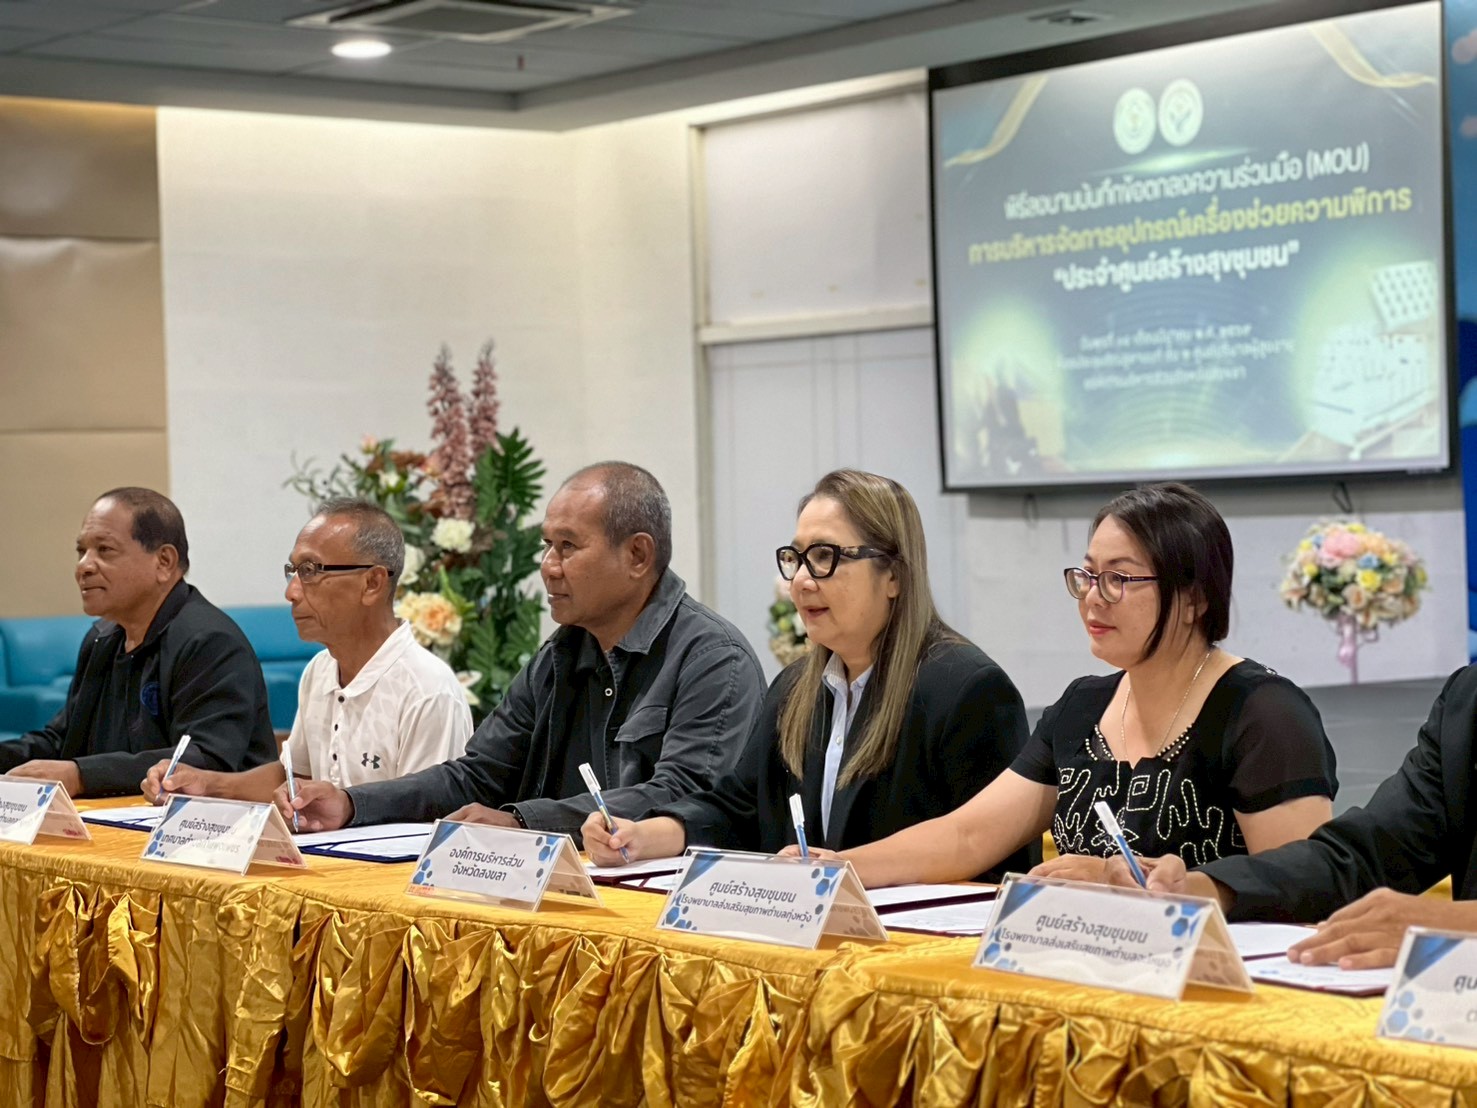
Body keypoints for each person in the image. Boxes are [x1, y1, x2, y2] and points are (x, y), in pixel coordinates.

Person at [830, 482, 1338, 888]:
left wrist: (1118, 881)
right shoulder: (1083, 705)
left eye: (1119, 579)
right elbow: (968, 836)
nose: (1093, 597)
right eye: (1088, 575)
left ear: (1194, 599)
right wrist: (833, 868)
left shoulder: (1263, 713)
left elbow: (1301, 883)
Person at [584, 469, 1037, 880]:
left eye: (824, 557)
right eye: (796, 558)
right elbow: (739, 809)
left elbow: (993, 855)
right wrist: (641, 836)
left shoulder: (968, 689)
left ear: (894, 576)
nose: (801, 580)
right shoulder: (794, 688)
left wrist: (842, 871)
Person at [276, 462, 765, 837]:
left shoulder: (712, 659)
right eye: (546, 545)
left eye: (568, 547)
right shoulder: (561, 654)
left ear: (637, 555)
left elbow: (684, 797)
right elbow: (477, 776)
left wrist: (523, 822)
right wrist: (352, 804)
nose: (548, 566)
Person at [1118, 664, 1477, 970]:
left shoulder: (1267, 708)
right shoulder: (1467, 702)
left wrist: (1457, 924)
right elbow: (1362, 858)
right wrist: (1209, 888)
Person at [140, 499, 471, 805]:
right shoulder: (320, 669)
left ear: (372, 583)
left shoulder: (428, 691)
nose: (291, 592)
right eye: (294, 571)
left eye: (311, 571)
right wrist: (208, 784)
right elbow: (293, 777)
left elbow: (427, 814)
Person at [0, 487, 276, 795]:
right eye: (81, 551)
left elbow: (204, 760)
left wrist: (82, 775)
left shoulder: (210, 641)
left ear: (164, 562)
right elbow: (62, 741)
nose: (84, 566)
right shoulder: (101, 639)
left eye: (104, 550)